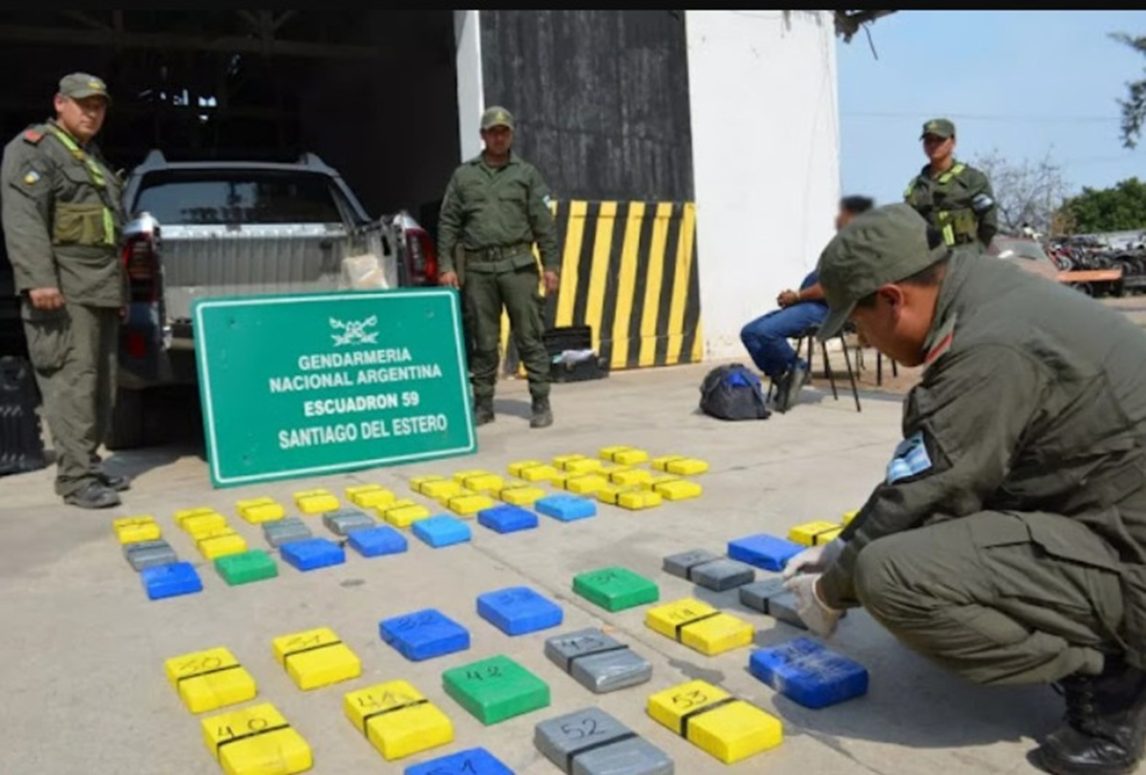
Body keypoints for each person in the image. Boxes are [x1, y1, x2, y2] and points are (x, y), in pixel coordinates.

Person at [783, 203, 1146, 775]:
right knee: (914, 539)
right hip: (1106, 505)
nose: (864, 340)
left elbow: (928, 486)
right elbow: (936, 471)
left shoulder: (987, 349)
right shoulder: (986, 287)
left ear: (892, 299)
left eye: (857, 324)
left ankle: (1110, 675)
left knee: (891, 576)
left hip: (1131, 555)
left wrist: (834, 584)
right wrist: (843, 543)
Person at [1, 72, 128, 509]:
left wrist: (121, 293)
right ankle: (75, 481)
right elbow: (23, 220)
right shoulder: (34, 150)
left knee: (100, 386)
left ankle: (87, 464)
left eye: (99, 105)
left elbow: (108, 234)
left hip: (99, 289)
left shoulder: (88, 156)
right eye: (83, 104)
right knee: (72, 384)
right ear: (60, 103)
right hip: (65, 291)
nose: (92, 112)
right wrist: (39, 280)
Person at [437, 106, 560, 429]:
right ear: (483, 136)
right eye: (493, 132)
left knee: (529, 336)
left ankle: (540, 401)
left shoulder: (527, 175)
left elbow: (543, 224)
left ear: (511, 135)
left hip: (518, 267)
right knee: (483, 340)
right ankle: (483, 404)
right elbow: (448, 223)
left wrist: (551, 265)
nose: (499, 137)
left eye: (504, 131)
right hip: (478, 270)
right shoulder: (464, 177)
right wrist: (446, 265)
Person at [739, 195, 874, 412]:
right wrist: (792, 298)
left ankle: (797, 368)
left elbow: (831, 287)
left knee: (765, 332)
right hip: (805, 305)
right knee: (749, 332)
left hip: (824, 310)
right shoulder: (837, 247)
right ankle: (783, 376)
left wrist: (798, 296)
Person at [904, 118, 998, 249]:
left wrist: (977, 252)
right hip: (929, 260)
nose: (933, 145)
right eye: (929, 140)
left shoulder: (972, 179)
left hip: (966, 258)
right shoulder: (916, 186)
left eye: (939, 140)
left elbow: (989, 224)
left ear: (953, 142)